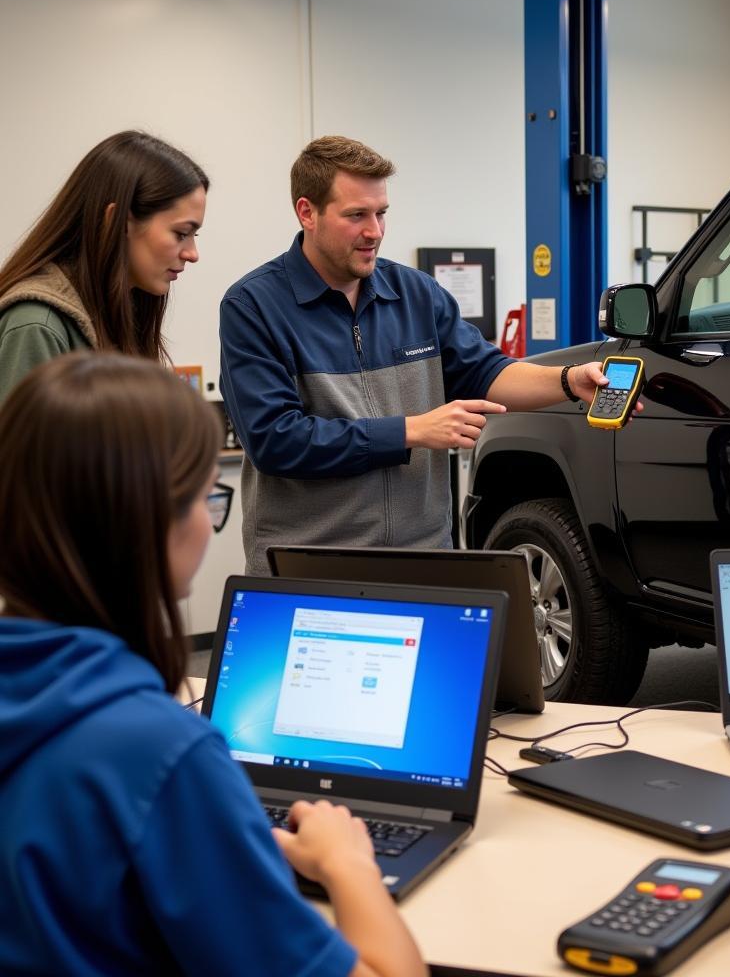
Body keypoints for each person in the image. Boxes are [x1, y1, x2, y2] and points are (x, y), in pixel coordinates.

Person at [0, 352, 425, 977]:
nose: (208, 519)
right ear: (148, 525)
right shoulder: (161, 757)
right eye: (206, 497)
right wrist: (347, 863)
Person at [220, 135, 625, 574]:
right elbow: (276, 441)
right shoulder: (253, 306)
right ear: (307, 212)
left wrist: (568, 381)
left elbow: (485, 371)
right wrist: (411, 431)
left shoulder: (414, 293)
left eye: (381, 213)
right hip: (310, 564)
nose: (374, 231)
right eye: (356, 215)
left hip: (423, 558)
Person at [0, 130, 208, 402]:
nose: (193, 254)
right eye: (181, 233)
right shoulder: (36, 325)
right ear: (118, 221)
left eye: (195, 235)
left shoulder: (119, 311)